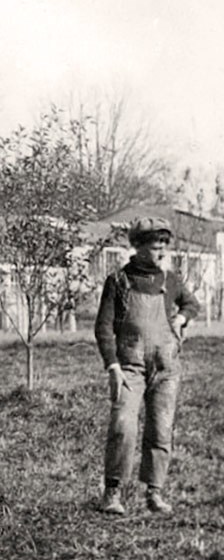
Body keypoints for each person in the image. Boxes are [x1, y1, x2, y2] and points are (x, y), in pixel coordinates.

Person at [94, 216, 200, 515]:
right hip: (130, 368)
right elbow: (103, 328)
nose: (162, 253)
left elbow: (192, 304)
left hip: (166, 369)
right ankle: (112, 493)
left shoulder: (171, 280)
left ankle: (154, 492)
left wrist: (182, 317)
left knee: (161, 429)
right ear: (138, 247)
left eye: (164, 247)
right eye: (155, 247)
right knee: (123, 425)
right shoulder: (118, 282)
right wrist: (112, 366)